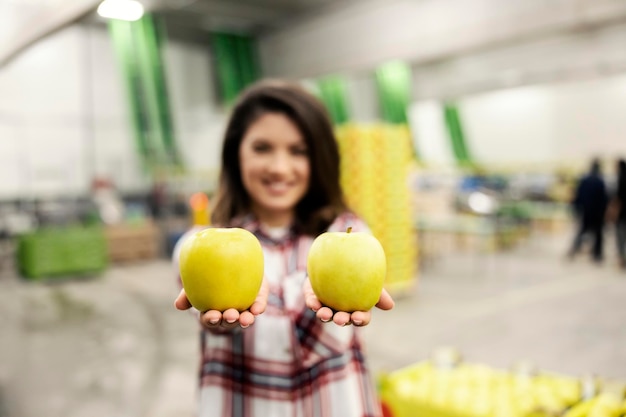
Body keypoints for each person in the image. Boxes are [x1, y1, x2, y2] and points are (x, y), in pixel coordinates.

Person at [172, 80, 395, 417]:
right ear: (236, 154)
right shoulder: (198, 244)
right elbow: (211, 313)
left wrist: (333, 297)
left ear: (319, 158)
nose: (279, 167)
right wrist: (223, 319)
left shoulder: (350, 233)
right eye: (262, 148)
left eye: (298, 150)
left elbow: (332, 331)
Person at [568, 158, 609, 263]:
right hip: (597, 212)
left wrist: (576, 208)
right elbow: (604, 198)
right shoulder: (600, 181)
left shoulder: (585, 180)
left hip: (586, 210)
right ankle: (597, 254)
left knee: (582, 231)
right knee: (598, 234)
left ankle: (574, 250)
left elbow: (578, 196)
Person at [612, 159, 626, 269]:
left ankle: (622, 259)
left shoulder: (621, 179)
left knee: (620, 237)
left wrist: (614, 213)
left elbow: (618, 199)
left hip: (622, 214)